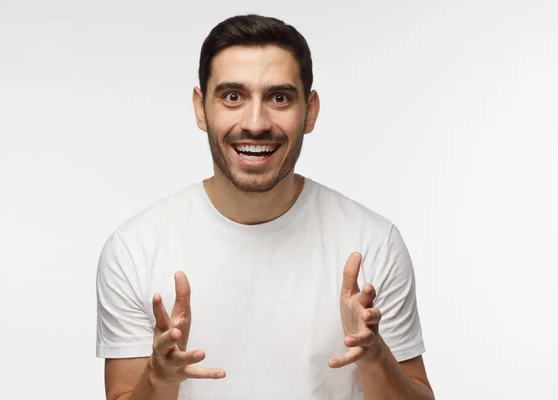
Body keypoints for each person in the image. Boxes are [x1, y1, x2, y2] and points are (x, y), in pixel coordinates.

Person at [95, 14, 435, 400]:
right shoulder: (134, 249)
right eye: (233, 97)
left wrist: (375, 358)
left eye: (278, 98)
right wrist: (159, 378)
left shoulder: (373, 243)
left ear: (310, 111)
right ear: (200, 108)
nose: (255, 124)